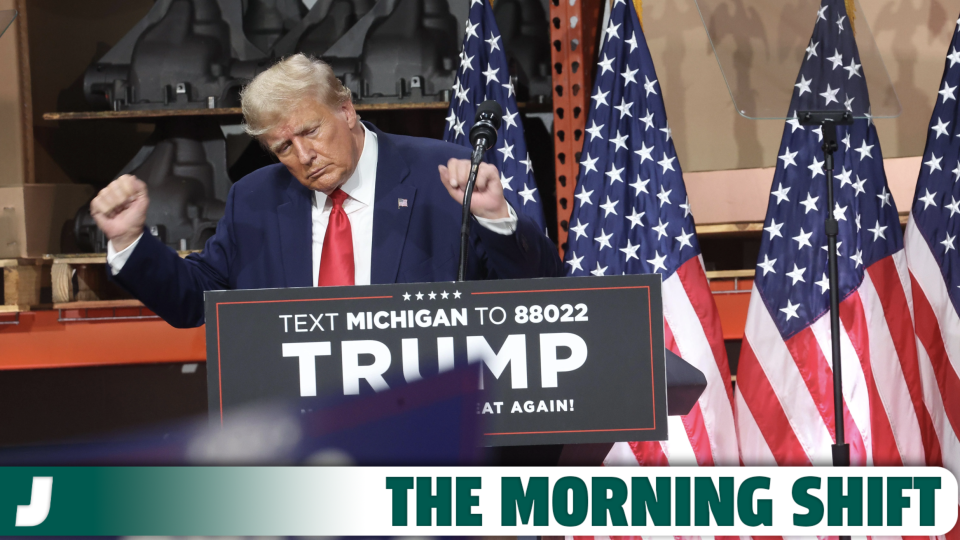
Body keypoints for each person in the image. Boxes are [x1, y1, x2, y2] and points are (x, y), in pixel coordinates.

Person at [90, 54, 562, 328]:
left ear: (346, 109)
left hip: (427, 430)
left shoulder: (441, 172)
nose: (303, 156)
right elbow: (196, 302)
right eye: (282, 147)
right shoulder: (254, 198)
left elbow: (539, 288)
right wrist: (129, 242)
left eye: (310, 131)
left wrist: (495, 217)